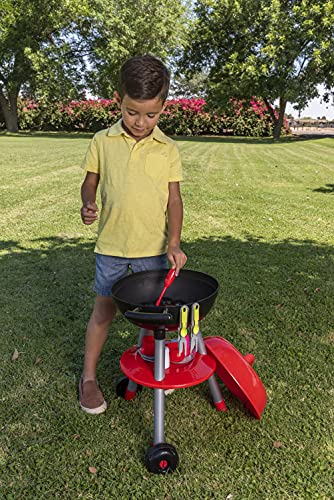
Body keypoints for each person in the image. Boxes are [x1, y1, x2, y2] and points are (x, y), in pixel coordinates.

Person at [79, 54, 187, 414]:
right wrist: (88, 203)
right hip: (111, 246)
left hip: (151, 249)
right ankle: (89, 378)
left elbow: (174, 199)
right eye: (132, 112)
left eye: (151, 115)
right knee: (103, 312)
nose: (141, 122)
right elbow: (89, 181)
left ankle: (149, 365)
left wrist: (173, 242)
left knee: (150, 317)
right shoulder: (102, 141)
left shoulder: (168, 148)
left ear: (163, 107)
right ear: (118, 100)